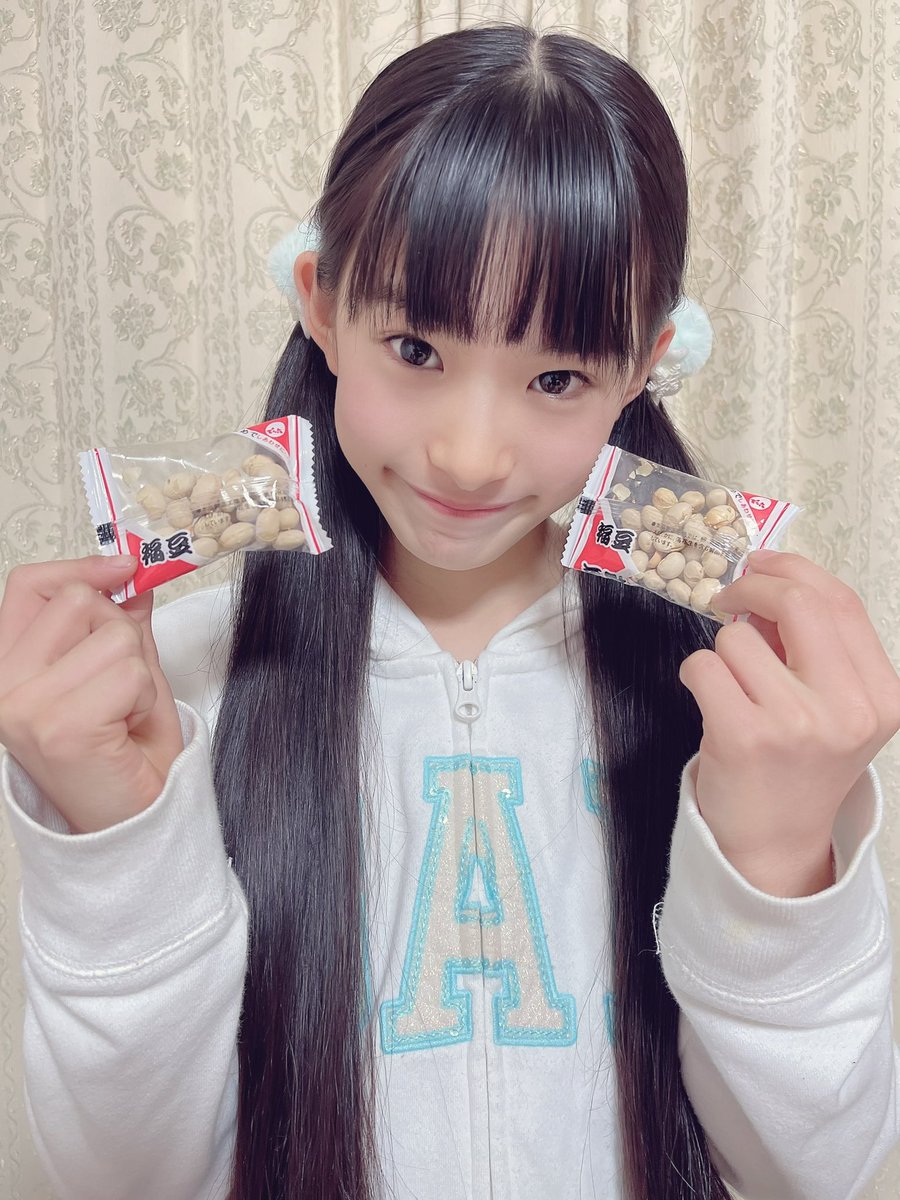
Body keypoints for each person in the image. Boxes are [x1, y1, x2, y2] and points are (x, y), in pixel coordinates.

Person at [1, 23, 898, 1200]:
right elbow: (124, 1178)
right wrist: (119, 834)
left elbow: (811, 1174)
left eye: (557, 378)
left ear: (645, 365)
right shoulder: (171, 688)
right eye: (416, 348)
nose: (470, 455)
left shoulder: (735, 707)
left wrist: (778, 860)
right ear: (322, 305)